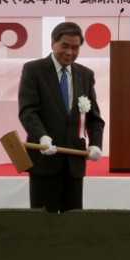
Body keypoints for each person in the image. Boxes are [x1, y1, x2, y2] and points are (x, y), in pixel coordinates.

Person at [19, 22, 105, 213]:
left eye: (75, 48)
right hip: (44, 161)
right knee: (43, 221)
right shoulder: (34, 70)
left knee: (73, 221)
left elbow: (94, 118)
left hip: (75, 163)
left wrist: (96, 144)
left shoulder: (85, 74)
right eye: (65, 46)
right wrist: (41, 136)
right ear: (53, 43)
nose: (69, 52)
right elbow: (28, 111)